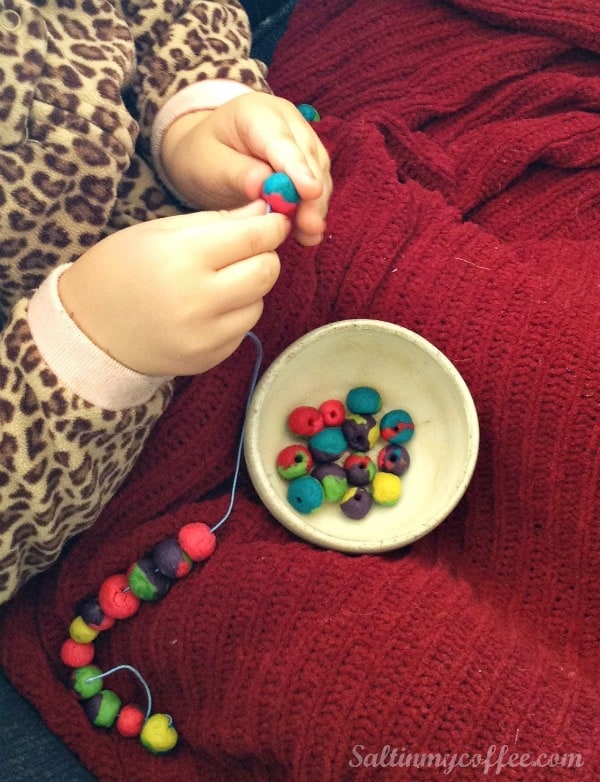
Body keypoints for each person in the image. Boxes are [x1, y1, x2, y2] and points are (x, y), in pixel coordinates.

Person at [0, 0, 331, 605]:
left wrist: (196, 121)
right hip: (59, 451)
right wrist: (84, 351)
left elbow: (171, 14)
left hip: (200, 225)